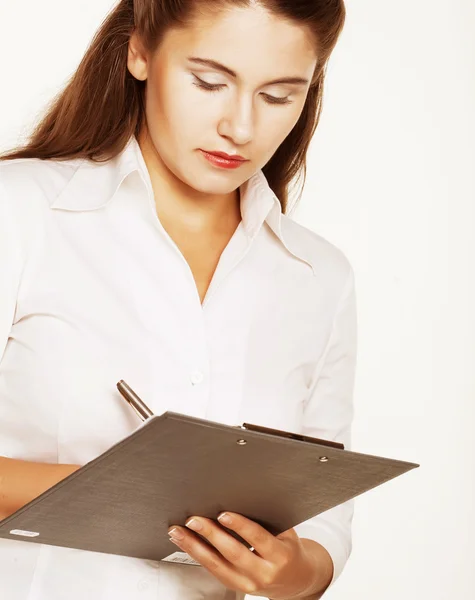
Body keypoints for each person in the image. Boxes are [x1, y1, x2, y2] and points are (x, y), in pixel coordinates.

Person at [0, 0, 357, 598]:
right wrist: (128, 485)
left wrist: (296, 574)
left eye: (278, 96)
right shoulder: (21, 213)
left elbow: (325, 519)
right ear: (140, 51)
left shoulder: (319, 275)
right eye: (210, 82)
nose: (240, 128)